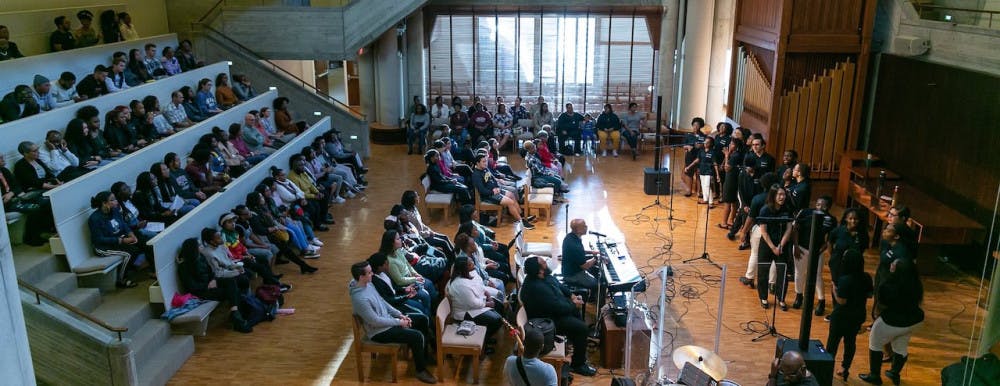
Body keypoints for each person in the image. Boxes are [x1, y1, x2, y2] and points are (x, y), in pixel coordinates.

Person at [349, 261, 437, 384]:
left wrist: (399, 314)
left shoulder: (367, 284)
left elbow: (382, 301)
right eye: (369, 273)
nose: (372, 274)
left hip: (388, 320)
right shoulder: (360, 298)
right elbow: (375, 321)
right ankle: (420, 370)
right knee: (417, 336)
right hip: (379, 332)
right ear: (361, 277)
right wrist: (399, 322)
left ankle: (423, 357)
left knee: (422, 319)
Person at [520, 256, 596, 376]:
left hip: (554, 311)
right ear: (540, 270)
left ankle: (576, 344)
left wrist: (571, 296)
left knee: (577, 315)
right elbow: (557, 308)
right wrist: (573, 305)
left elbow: (559, 286)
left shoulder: (544, 276)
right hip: (547, 321)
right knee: (581, 329)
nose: (546, 263)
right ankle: (578, 365)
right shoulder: (536, 288)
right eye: (544, 262)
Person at [860, 258, 923, 385]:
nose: (892, 264)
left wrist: (877, 318)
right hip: (914, 320)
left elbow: (880, 305)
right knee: (901, 346)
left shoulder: (888, 285)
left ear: (898, 270)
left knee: (875, 343)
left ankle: (875, 375)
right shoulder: (916, 284)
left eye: (894, 264)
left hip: (892, 321)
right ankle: (894, 372)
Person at [176, 237, 252, 333]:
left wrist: (213, 280)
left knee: (231, 282)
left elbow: (210, 272)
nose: (201, 246)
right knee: (231, 291)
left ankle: (235, 313)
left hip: (210, 284)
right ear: (193, 248)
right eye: (199, 245)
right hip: (201, 291)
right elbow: (191, 286)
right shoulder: (184, 266)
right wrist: (206, 285)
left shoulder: (201, 258)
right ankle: (237, 316)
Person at [825, 249, 872, 381]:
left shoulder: (845, 279)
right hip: (857, 315)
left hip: (841, 317)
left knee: (832, 343)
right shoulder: (866, 277)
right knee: (850, 342)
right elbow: (870, 294)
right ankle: (845, 368)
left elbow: (841, 301)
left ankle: (828, 368)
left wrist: (834, 289)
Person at [790, 196, 837, 315]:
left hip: (817, 252)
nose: (820, 207)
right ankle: (799, 296)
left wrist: (819, 251)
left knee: (817, 276)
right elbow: (795, 229)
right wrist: (795, 246)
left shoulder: (831, 220)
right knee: (799, 273)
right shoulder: (805, 213)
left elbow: (829, 240)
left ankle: (821, 301)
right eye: (818, 204)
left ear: (829, 207)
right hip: (800, 248)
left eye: (824, 205)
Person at [87, 191, 142, 288]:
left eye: (115, 199)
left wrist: (131, 234)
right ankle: (121, 280)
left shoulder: (115, 211)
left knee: (141, 241)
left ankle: (132, 268)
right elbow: (99, 239)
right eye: (113, 200)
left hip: (117, 240)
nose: (116, 202)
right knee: (129, 254)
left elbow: (124, 225)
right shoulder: (94, 218)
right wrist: (122, 240)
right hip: (103, 247)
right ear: (104, 203)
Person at [447, 255, 503, 350]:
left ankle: (486, 335)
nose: (473, 264)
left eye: (471, 262)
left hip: (476, 304)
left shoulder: (471, 273)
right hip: (466, 312)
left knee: (500, 306)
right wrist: (488, 303)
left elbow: (480, 287)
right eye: (470, 264)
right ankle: (483, 343)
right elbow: (473, 303)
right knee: (496, 320)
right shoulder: (460, 285)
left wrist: (488, 296)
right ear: (463, 269)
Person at [471, 154, 534, 229]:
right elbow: (481, 190)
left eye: (486, 161)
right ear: (477, 163)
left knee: (511, 194)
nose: (486, 163)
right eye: (483, 162)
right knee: (510, 202)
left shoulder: (485, 169)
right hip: (488, 196)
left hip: (495, 191)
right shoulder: (476, 175)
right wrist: (492, 191)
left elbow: (493, 179)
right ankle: (521, 222)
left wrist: (496, 187)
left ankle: (521, 216)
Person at [757, 184, 793, 310]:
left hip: (782, 245)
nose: (782, 197)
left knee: (783, 273)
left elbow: (789, 229)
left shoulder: (787, 209)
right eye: (779, 194)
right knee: (763, 272)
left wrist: (781, 245)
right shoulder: (765, 210)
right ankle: (763, 297)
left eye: (783, 194)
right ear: (773, 196)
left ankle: (781, 298)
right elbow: (764, 232)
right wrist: (773, 248)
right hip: (767, 245)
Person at [368, 252, 431, 318]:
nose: (388, 265)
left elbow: (392, 288)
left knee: (424, 297)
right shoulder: (376, 281)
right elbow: (388, 300)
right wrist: (405, 297)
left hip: (399, 297)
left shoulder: (383, 273)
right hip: (395, 304)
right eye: (386, 264)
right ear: (379, 267)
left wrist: (404, 289)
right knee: (420, 309)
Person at [561, 219, 602, 296]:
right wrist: (596, 258)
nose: (586, 227)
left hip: (570, 268)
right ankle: (593, 300)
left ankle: (593, 295)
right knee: (598, 284)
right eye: (584, 226)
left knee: (596, 269)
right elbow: (585, 266)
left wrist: (592, 252)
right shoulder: (575, 246)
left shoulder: (570, 237)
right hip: (572, 275)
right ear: (578, 230)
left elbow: (580, 251)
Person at [685, 136, 722, 207]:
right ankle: (705, 199)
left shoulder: (712, 152)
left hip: (709, 172)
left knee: (707, 186)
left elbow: (715, 163)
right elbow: (697, 160)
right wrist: (689, 167)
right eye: (705, 141)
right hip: (702, 170)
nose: (705, 143)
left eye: (707, 142)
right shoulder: (701, 151)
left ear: (711, 144)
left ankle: (711, 202)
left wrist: (717, 174)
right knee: (703, 186)